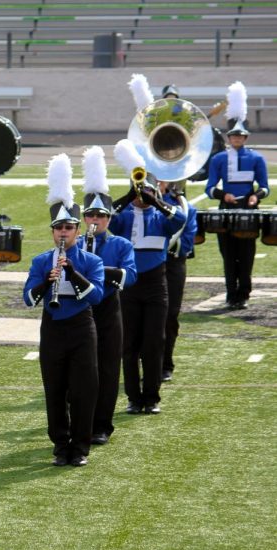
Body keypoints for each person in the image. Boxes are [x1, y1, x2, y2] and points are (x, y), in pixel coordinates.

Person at [23, 153, 104, 467]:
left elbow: (95, 296)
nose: (64, 233)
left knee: (84, 389)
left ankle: (80, 447)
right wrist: (47, 281)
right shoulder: (42, 261)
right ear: (52, 231)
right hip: (53, 326)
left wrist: (71, 271)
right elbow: (28, 299)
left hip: (82, 327)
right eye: (58, 228)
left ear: (76, 230)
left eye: (69, 227)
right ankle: (60, 445)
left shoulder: (91, 261)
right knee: (54, 389)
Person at [110, 139, 187, 415]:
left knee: (154, 342)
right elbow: (105, 217)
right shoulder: (124, 218)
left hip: (156, 285)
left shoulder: (161, 217)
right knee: (129, 344)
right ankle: (133, 397)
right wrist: (129, 195)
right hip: (129, 286)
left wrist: (156, 200)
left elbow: (180, 220)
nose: (143, 196)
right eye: (141, 191)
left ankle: (151, 397)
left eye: (148, 191)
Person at [77, 146, 136, 446]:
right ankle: (81, 424)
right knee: (82, 371)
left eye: (101, 216)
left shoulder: (121, 245)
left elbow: (130, 275)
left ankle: (102, 425)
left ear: (110, 218)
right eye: (90, 215)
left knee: (109, 369)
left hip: (109, 310)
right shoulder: (73, 244)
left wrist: (98, 268)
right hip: (80, 311)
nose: (96, 220)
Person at [205, 81, 269, 310]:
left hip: (249, 209)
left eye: (241, 136)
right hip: (227, 208)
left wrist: (256, 197)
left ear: (246, 137)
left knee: (247, 254)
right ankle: (231, 292)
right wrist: (224, 195)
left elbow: (265, 186)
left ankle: (244, 292)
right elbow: (209, 188)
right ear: (229, 137)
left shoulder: (257, 159)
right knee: (228, 253)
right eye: (233, 136)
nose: (237, 140)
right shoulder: (219, 159)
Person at [161, 180, 197, 383]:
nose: (156, 181)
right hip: (143, 267)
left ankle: (165, 363)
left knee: (169, 316)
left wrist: (155, 245)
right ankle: (145, 362)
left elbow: (186, 245)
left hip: (172, 265)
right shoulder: (136, 208)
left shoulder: (184, 207)